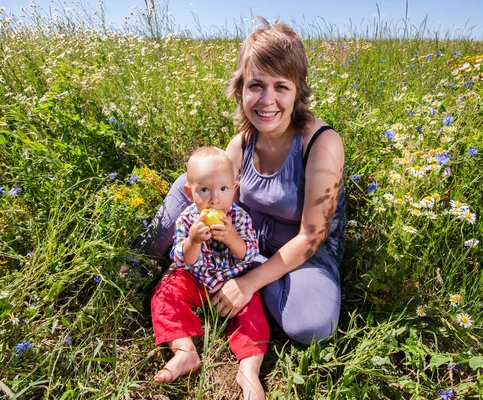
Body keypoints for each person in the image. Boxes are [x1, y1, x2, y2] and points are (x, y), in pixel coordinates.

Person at [140, 17, 346, 395]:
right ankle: (140, 262)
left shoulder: (320, 143)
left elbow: (312, 236)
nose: (267, 101)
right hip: (243, 245)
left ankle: (249, 292)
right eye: (256, 86)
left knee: (311, 326)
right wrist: (200, 234)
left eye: (281, 87)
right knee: (188, 186)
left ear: (298, 92)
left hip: (303, 253)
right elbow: (216, 196)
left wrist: (247, 282)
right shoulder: (242, 142)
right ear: (241, 90)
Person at [150, 147, 269, 400]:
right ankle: (184, 351)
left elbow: (246, 254)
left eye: (223, 190)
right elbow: (183, 258)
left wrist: (233, 238)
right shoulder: (186, 219)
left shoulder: (239, 219)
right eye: (204, 190)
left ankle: (249, 370)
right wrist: (193, 241)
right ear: (189, 192)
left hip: (232, 280)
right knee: (165, 294)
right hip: (196, 278)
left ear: (234, 190)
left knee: (253, 312)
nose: (215, 199)